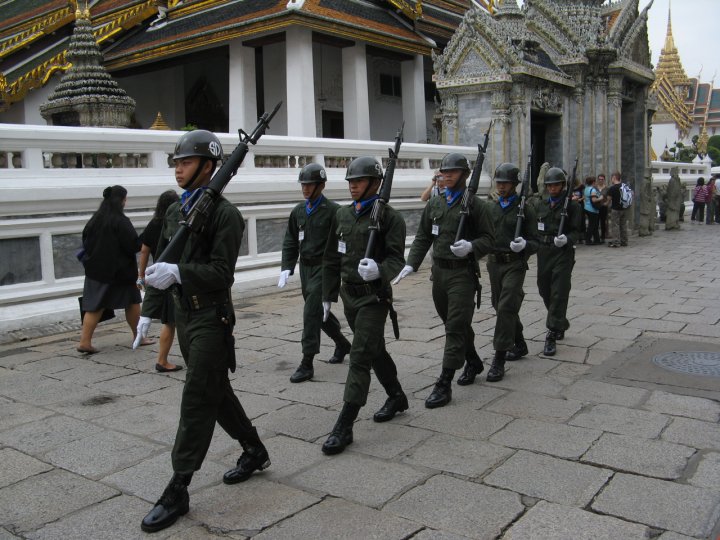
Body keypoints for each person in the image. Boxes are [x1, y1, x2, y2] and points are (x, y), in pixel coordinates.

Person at [140, 130, 269, 533]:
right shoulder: (177, 210)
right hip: (184, 318)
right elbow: (161, 267)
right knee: (215, 391)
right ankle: (254, 449)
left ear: (209, 166)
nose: (177, 168)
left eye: (185, 161)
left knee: (197, 397)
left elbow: (220, 272)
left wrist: (179, 272)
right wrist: (149, 310)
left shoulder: (224, 214)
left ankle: (178, 488)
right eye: (176, 162)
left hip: (212, 318)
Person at [320, 156, 408, 455]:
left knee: (359, 355)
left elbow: (397, 258)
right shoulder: (343, 216)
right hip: (349, 296)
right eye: (350, 181)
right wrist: (327, 296)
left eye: (358, 181)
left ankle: (344, 425)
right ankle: (396, 396)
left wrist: (381, 271)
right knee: (373, 349)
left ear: (375, 183)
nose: (353, 186)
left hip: (374, 297)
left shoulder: (390, 218)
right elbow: (332, 258)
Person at [393, 153, 494, 408]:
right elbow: (424, 237)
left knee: (455, 327)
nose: (447, 176)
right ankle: (473, 360)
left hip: (462, 273)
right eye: (444, 172)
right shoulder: (435, 204)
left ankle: (444, 382)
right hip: (439, 273)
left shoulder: (476, 205)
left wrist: (471, 246)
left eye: (453, 172)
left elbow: (490, 239)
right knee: (453, 323)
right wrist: (410, 264)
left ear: (465, 175)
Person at [279, 163, 351, 383]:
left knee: (311, 312)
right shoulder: (299, 211)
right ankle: (342, 343)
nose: (305, 189)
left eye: (310, 185)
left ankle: (307, 362)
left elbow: (342, 242)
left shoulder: (334, 211)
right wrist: (286, 266)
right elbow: (290, 240)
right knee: (319, 313)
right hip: (305, 268)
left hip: (325, 267)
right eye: (303, 185)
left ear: (321, 185)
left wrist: (341, 270)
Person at [484, 163, 539, 382]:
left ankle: (499, 357)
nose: (501, 186)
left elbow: (537, 241)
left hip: (515, 263)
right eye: (499, 182)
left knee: (506, 305)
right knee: (500, 306)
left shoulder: (526, 207)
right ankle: (520, 343)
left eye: (505, 183)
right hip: (493, 263)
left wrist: (525, 244)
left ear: (515, 185)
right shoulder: (491, 207)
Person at [77, 185, 143, 354]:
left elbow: (86, 242)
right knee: (132, 302)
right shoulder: (120, 221)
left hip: (95, 271)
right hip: (120, 272)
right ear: (122, 200)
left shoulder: (95, 220)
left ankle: (85, 341)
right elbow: (132, 245)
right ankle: (139, 337)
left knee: (94, 306)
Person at [531, 167, 581, 357]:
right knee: (544, 289)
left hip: (562, 252)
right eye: (550, 185)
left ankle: (551, 333)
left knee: (559, 291)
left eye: (556, 185)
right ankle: (560, 321)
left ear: (562, 186)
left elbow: (577, 231)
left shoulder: (572, 206)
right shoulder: (540, 204)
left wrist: (567, 239)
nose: (552, 189)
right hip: (544, 251)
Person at [134, 190, 181, 372]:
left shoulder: (153, 224)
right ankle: (162, 360)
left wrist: (142, 275)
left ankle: (163, 359)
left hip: (157, 273)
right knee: (171, 321)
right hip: (173, 276)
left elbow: (144, 251)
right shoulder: (176, 223)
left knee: (169, 320)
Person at [606, 172, 628, 246]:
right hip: (624, 209)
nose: (611, 179)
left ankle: (616, 242)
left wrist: (605, 204)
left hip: (615, 209)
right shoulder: (625, 186)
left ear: (614, 178)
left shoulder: (612, 188)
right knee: (623, 225)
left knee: (615, 226)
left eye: (612, 178)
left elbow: (608, 199)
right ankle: (624, 241)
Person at [583, 176, 603, 245]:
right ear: (593, 182)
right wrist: (601, 198)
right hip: (592, 210)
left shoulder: (586, 189)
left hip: (587, 208)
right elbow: (594, 200)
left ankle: (597, 239)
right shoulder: (593, 190)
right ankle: (588, 240)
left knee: (594, 225)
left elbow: (585, 198)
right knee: (592, 225)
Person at [596, 173, 609, 241]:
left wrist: (607, 203)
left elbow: (609, 197)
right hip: (596, 206)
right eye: (599, 179)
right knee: (596, 221)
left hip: (603, 206)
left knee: (603, 222)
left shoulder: (606, 188)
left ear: (604, 180)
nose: (601, 180)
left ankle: (603, 236)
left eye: (602, 179)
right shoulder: (595, 187)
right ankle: (596, 236)